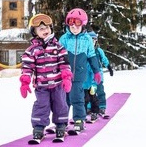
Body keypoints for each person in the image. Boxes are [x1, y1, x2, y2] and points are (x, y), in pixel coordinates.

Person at [19, 14, 72, 142]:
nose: (45, 30)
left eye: (47, 27)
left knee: (60, 104)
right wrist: (25, 82)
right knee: (41, 105)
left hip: (58, 84)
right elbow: (27, 67)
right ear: (34, 31)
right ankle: (38, 128)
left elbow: (64, 63)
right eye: (41, 28)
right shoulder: (31, 50)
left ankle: (61, 125)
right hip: (41, 86)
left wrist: (66, 78)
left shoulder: (58, 47)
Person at [59, 8, 101, 132]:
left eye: (77, 23)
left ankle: (79, 120)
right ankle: (62, 121)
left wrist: (96, 71)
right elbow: (57, 55)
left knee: (77, 98)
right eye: (71, 23)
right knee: (63, 100)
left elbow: (92, 56)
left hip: (79, 76)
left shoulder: (87, 39)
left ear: (83, 24)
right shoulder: (64, 38)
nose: (74, 27)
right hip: (64, 76)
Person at [87, 31, 114, 117]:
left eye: (94, 40)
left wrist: (109, 67)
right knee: (89, 93)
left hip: (98, 75)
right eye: (91, 40)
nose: (92, 41)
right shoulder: (85, 50)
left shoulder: (98, 50)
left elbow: (104, 59)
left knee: (99, 91)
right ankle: (89, 107)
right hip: (88, 76)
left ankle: (102, 107)